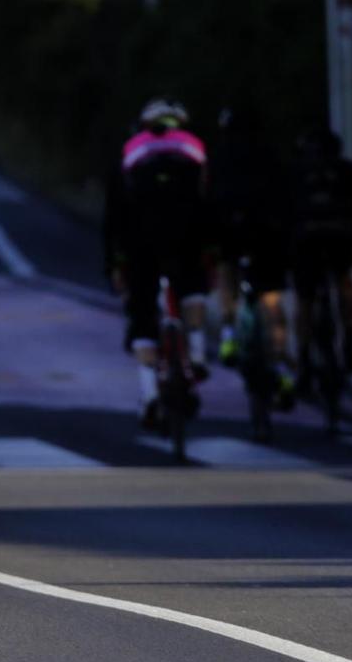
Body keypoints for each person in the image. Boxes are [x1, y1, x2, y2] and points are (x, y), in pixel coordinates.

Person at [103, 98, 211, 430]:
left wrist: (115, 262)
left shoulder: (132, 151)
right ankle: (196, 353)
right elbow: (208, 200)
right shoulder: (194, 148)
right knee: (192, 286)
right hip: (185, 235)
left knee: (141, 316)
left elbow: (115, 212)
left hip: (141, 241)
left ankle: (150, 394)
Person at [211, 105, 295, 405]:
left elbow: (207, 198)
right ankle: (283, 366)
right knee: (271, 297)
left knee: (226, 271)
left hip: (230, 230)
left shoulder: (219, 156)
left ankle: (229, 333)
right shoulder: (270, 155)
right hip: (266, 233)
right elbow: (286, 196)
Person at [288, 127, 352, 377]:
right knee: (345, 281)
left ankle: (303, 354)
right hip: (342, 239)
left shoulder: (296, 172)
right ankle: (349, 340)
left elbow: (285, 213)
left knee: (304, 298)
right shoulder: (349, 171)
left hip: (305, 241)